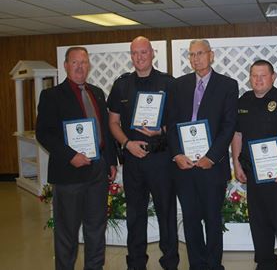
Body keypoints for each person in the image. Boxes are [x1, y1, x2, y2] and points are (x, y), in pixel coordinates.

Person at [36, 46, 117, 270]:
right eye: (75, 62)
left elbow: (105, 131)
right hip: (69, 174)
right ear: (66, 65)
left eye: (84, 62)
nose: (80, 67)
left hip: (97, 172)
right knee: (67, 234)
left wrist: (111, 161)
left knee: (96, 230)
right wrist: (71, 155)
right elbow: (44, 133)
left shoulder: (97, 93)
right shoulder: (51, 95)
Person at [107, 36, 179, 270]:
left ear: (152, 53)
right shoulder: (122, 85)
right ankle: (136, 263)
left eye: (143, 52)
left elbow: (177, 123)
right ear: (131, 55)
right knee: (135, 216)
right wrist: (127, 144)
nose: (139, 57)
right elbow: (113, 122)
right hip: (132, 160)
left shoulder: (169, 83)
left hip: (160, 159)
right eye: (135, 53)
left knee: (166, 214)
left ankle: (170, 262)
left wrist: (161, 130)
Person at [167, 39, 238, 270]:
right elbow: (171, 123)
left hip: (212, 166)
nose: (196, 58)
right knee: (190, 219)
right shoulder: (179, 85)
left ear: (211, 55)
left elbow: (228, 126)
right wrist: (177, 154)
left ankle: (214, 264)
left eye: (200, 53)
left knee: (212, 219)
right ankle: (197, 264)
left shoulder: (228, 85)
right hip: (184, 166)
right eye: (192, 54)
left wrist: (212, 157)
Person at [231, 60, 277, 270]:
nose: (258, 79)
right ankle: (265, 265)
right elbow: (237, 134)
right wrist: (236, 163)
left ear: (273, 77)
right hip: (254, 178)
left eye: (263, 75)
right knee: (259, 228)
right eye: (254, 75)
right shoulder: (243, 101)